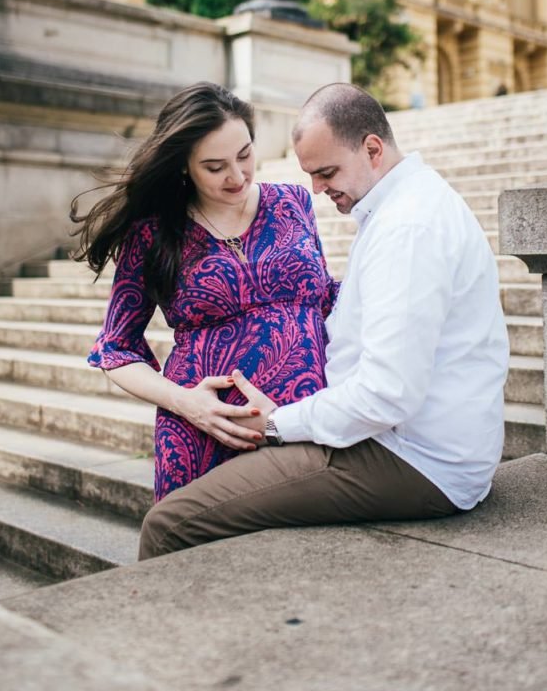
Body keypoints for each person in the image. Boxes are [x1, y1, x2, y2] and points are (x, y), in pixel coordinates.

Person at [138, 82, 510, 559]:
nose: (316, 188)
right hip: (412, 443)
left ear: (372, 148)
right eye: (310, 174)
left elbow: (385, 395)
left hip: (413, 458)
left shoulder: (407, 229)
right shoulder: (405, 204)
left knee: (169, 524)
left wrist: (275, 424)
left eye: (327, 171)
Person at [73, 82, 337, 501]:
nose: (237, 176)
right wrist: (187, 404)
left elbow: (325, 300)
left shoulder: (293, 202)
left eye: (245, 155)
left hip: (299, 424)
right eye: (215, 167)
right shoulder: (154, 233)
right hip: (201, 437)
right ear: (184, 167)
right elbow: (116, 349)